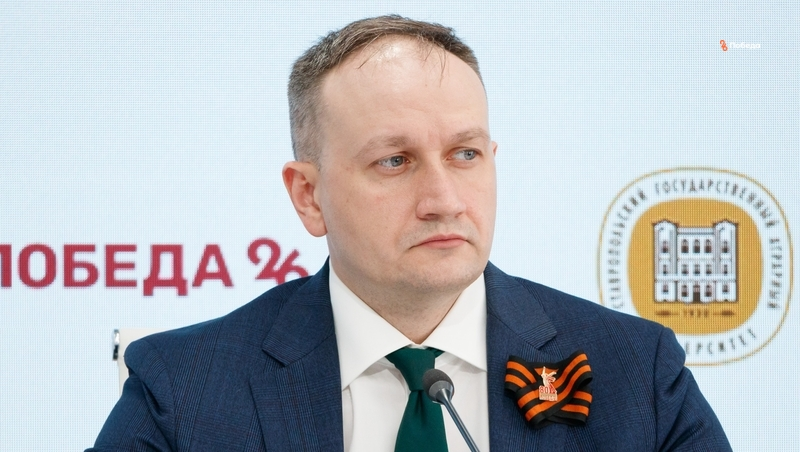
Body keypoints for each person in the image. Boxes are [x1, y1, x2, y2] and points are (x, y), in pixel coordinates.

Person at [88, 15, 732, 451]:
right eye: (394, 161)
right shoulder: (183, 389)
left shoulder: (634, 371)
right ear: (308, 196)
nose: (444, 200)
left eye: (465, 154)